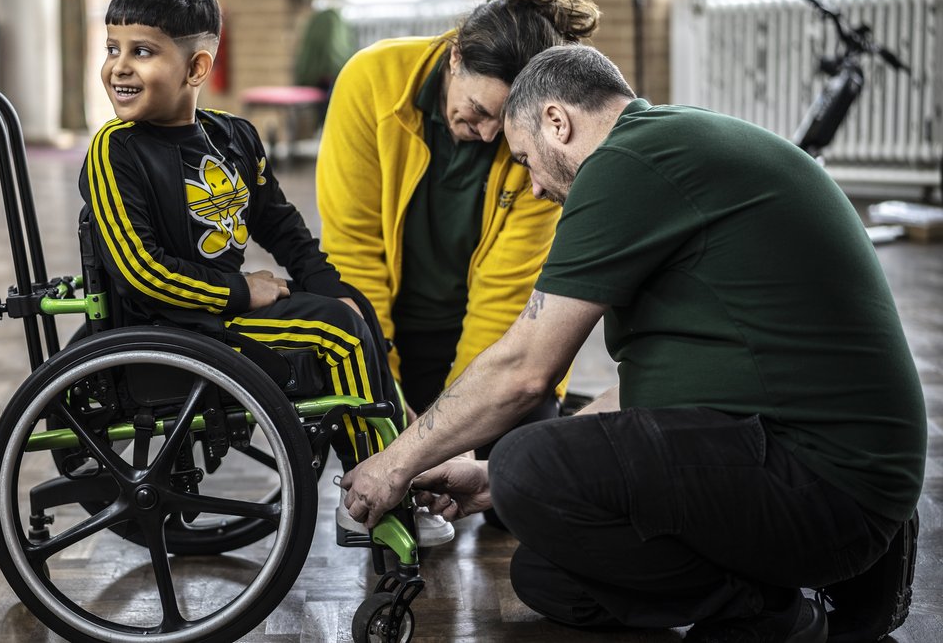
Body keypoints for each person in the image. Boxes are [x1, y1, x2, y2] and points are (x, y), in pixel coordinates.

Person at [340, 45, 925, 642]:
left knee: (529, 460)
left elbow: (526, 368)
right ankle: (815, 585)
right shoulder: (665, 149)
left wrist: (397, 462)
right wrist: (487, 479)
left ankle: (776, 613)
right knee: (549, 576)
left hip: (832, 481)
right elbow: (650, 386)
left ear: (556, 122)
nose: (535, 187)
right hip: (798, 460)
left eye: (524, 160)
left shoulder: (628, 161)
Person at [77, 0, 453, 545]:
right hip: (162, 322)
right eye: (113, 49)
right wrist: (239, 292)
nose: (119, 68)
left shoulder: (233, 137)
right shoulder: (115, 150)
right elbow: (140, 272)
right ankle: (373, 499)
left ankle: (402, 469)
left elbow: (279, 224)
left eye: (142, 51)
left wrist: (329, 284)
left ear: (196, 68)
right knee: (338, 334)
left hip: (214, 320)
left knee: (353, 311)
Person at [315, 0, 599, 422]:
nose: (489, 135)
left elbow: (502, 302)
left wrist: (451, 430)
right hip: (389, 335)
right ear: (455, 56)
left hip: (497, 350)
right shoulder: (369, 83)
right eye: (477, 110)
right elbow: (354, 253)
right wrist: (381, 387)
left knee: (499, 473)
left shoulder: (546, 148)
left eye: (506, 124)